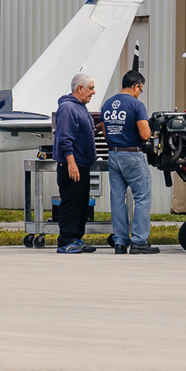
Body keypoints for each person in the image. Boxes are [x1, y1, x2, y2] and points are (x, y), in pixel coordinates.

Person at [101, 70, 159, 254]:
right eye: (140, 89)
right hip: (132, 155)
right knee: (142, 198)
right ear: (136, 86)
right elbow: (145, 134)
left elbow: (104, 131)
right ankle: (139, 242)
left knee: (117, 199)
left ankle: (120, 242)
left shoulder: (107, 104)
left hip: (113, 154)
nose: (139, 93)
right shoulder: (137, 105)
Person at [53, 74, 98, 253]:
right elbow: (65, 138)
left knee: (81, 203)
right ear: (80, 88)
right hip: (73, 165)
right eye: (90, 88)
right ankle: (66, 241)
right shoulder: (68, 108)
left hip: (82, 164)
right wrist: (71, 163)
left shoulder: (80, 108)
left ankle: (76, 239)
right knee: (71, 202)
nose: (93, 92)